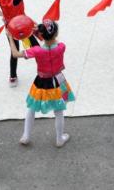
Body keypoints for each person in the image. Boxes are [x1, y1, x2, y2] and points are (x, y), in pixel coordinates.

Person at [6, 19, 74, 147]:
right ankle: (60, 138)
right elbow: (51, 41)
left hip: (41, 82)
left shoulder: (36, 50)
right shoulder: (61, 47)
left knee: (31, 108)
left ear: (42, 34)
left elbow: (15, 54)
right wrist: (39, 32)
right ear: (56, 34)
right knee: (59, 111)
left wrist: (10, 37)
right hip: (58, 81)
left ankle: (26, 135)